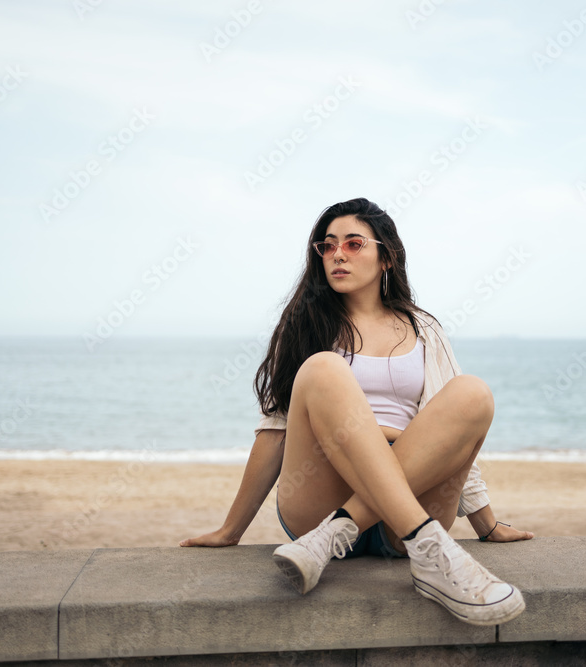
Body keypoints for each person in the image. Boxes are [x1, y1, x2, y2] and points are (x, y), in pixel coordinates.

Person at [181, 197, 533, 626]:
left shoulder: (425, 330)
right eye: (327, 246)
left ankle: (343, 532)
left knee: (473, 393)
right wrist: (231, 529)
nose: (338, 255)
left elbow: (455, 440)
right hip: (320, 498)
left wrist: (486, 523)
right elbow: (275, 431)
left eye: (352, 244)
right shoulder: (304, 326)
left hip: (401, 509)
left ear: (387, 257)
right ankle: (428, 549)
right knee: (324, 368)